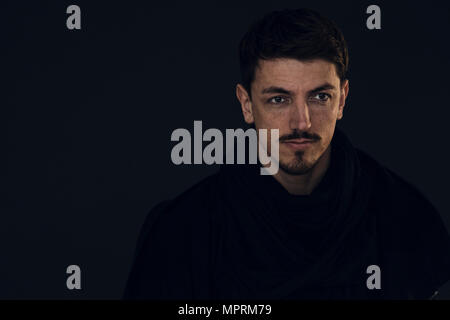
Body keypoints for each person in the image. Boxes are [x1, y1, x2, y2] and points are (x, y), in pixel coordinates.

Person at [123, 8, 450, 300]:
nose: (301, 122)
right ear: (246, 104)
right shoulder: (182, 234)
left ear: (342, 99)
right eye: (279, 99)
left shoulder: (404, 219)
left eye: (319, 97)